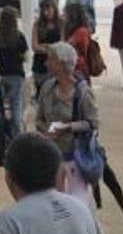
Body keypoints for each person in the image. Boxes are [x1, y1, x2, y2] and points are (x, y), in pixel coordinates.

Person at [35, 42, 99, 203]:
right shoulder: (47, 88)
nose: (46, 63)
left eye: (50, 59)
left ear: (62, 63)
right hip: (52, 159)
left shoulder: (83, 92)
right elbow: (39, 120)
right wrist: (47, 129)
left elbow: (93, 123)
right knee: (55, 207)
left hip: (76, 160)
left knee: (78, 207)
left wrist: (68, 127)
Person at [0, 7, 28, 139]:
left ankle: (1, 137)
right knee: (16, 107)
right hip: (16, 75)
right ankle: (17, 137)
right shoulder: (19, 36)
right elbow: (25, 56)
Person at [31, 0, 63, 96]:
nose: (46, 13)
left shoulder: (61, 23)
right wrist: (52, 47)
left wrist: (45, 46)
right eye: (44, 10)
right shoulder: (37, 24)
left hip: (56, 65)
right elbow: (34, 46)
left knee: (55, 96)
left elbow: (62, 45)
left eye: (48, 9)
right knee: (41, 96)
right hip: (40, 66)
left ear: (54, 8)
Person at [62, 2, 93, 81]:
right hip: (73, 66)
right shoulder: (74, 30)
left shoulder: (81, 32)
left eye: (65, 13)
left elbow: (66, 46)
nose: (63, 15)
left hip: (78, 68)